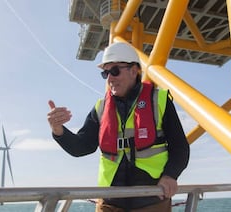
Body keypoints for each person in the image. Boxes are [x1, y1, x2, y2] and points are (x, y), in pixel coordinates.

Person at [47, 42, 189, 212]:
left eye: (114, 71)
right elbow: (82, 147)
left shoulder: (160, 101)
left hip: (152, 200)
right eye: (105, 73)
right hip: (109, 202)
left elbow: (180, 147)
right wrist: (58, 130)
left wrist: (170, 176)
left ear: (134, 70)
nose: (109, 78)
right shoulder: (100, 108)